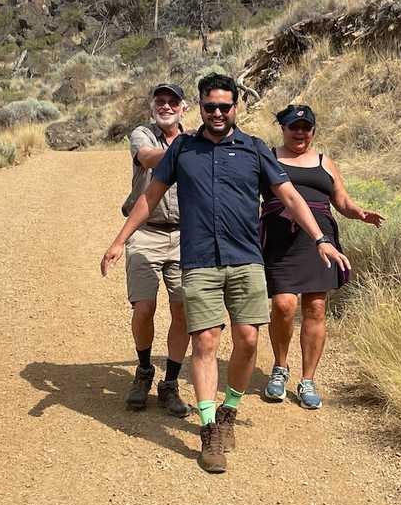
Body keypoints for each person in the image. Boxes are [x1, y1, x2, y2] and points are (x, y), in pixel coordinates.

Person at [101, 74, 350, 474]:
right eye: (210, 106)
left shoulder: (253, 150)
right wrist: (119, 241)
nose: (217, 113)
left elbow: (289, 195)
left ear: (236, 107)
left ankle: (230, 408)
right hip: (198, 260)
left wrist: (320, 237)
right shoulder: (184, 148)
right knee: (205, 342)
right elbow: (151, 196)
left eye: (224, 106)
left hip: (246, 259)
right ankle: (209, 426)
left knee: (249, 340)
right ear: (199, 107)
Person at [261, 104, 384, 410]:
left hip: (320, 239)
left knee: (316, 307)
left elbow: (340, 200)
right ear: (283, 129)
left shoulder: (324, 162)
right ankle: (280, 367)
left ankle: (308, 380)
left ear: (313, 131)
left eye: (305, 127)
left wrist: (358, 213)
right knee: (283, 303)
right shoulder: (268, 157)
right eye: (293, 127)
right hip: (280, 237)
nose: (299, 132)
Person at [120, 83, 191, 417]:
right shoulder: (142, 134)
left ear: (183, 107)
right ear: (152, 106)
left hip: (186, 236)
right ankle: (144, 369)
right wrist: (187, 151)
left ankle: (171, 383)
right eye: (160, 101)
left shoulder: (196, 139)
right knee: (144, 307)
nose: (166, 106)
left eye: (172, 102)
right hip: (145, 232)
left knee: (183, 310)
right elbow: (148, 159)